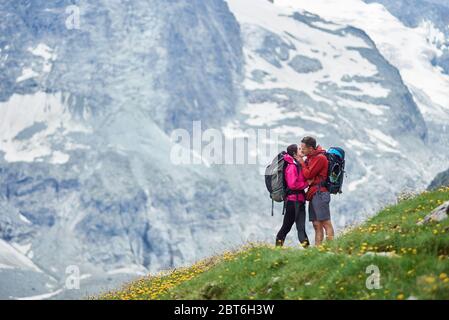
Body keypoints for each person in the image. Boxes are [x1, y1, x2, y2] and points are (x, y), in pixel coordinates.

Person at [297, 136, 334, 246]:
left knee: (325, 222)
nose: (301, 150)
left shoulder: (320, 158)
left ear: (311, 148)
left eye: (303, 148)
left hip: (320, 193)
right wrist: (304, 161)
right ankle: (318, 250)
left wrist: (301, 162)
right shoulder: (310, 158)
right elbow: (306, 176)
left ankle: (331, 247)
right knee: (316, 224)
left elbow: (308, 174)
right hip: (313, 194)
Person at [276, 144, 310, 248]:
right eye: (299, 149)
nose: (302, 150)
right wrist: (306, 184)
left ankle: (309, 251)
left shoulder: (297, 164)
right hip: (292, 202)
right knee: (286, 227)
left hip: (299, 202)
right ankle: (276, 250)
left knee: (301, 228)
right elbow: (292, 184)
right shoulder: (291, 167)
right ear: (295, 154)